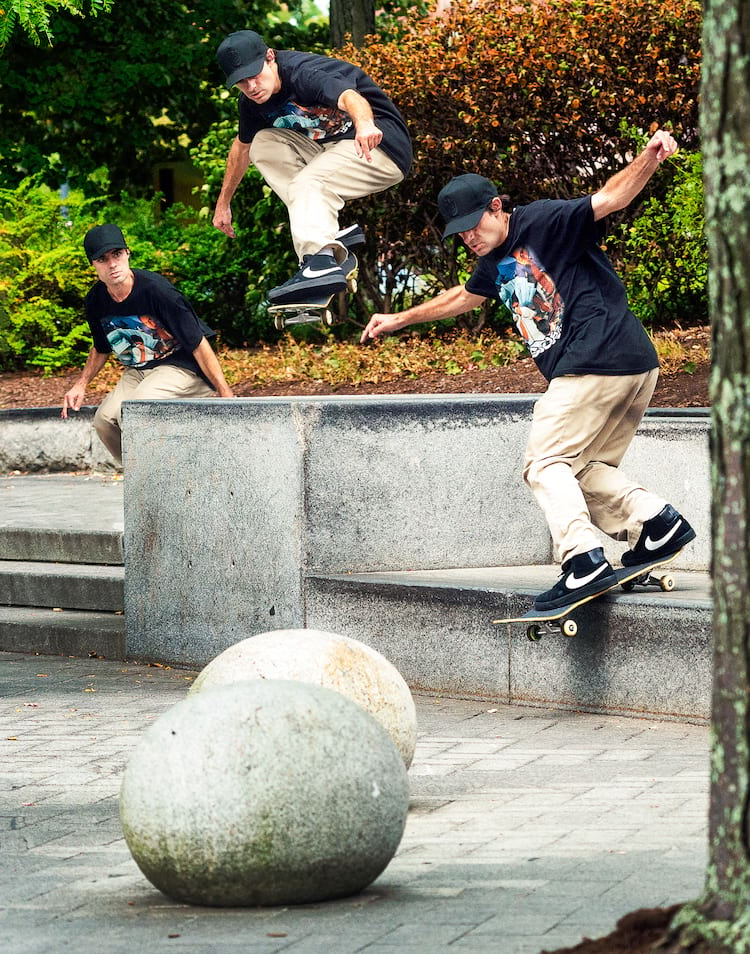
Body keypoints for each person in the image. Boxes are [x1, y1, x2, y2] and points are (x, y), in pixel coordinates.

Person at [361, 130, 696, 611]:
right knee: (581, 469)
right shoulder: (492, 257)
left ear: (497, 207)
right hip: (631, 365)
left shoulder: (543, 221)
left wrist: (649, 156)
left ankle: (583, 561)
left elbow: (611, 197)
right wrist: (401, 317)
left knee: (544, 463)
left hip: (594, 358)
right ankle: (657, 524)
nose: (470, 238)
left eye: (475, 226)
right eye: (460, 234)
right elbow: (464, 296)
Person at [213, 29, 412, 304]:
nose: (252, 87)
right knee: (262, 143)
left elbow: (350, 97)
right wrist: (223, 203)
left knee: (307, 183)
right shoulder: (251, 103)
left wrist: (365, 125)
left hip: (380, 148)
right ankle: (324, 235)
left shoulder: (303, 72)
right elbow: (241, 148)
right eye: (242, 83)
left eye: (255, 75)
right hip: (332, 150)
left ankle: (318, 263)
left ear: (270, 57)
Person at [62, 224, 234, 466]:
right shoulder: (96, 300)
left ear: (128, 253)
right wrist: (80, 384)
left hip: (180, 367)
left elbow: (198, 343)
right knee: (104, 420)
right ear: (93, 265)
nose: (112, 264)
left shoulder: (157, 291)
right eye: (103, 259)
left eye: (117, 255)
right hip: (139, 370)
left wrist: (225, 392)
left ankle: (159, 474)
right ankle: (139, 475)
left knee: (133, 410)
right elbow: (101, 347)